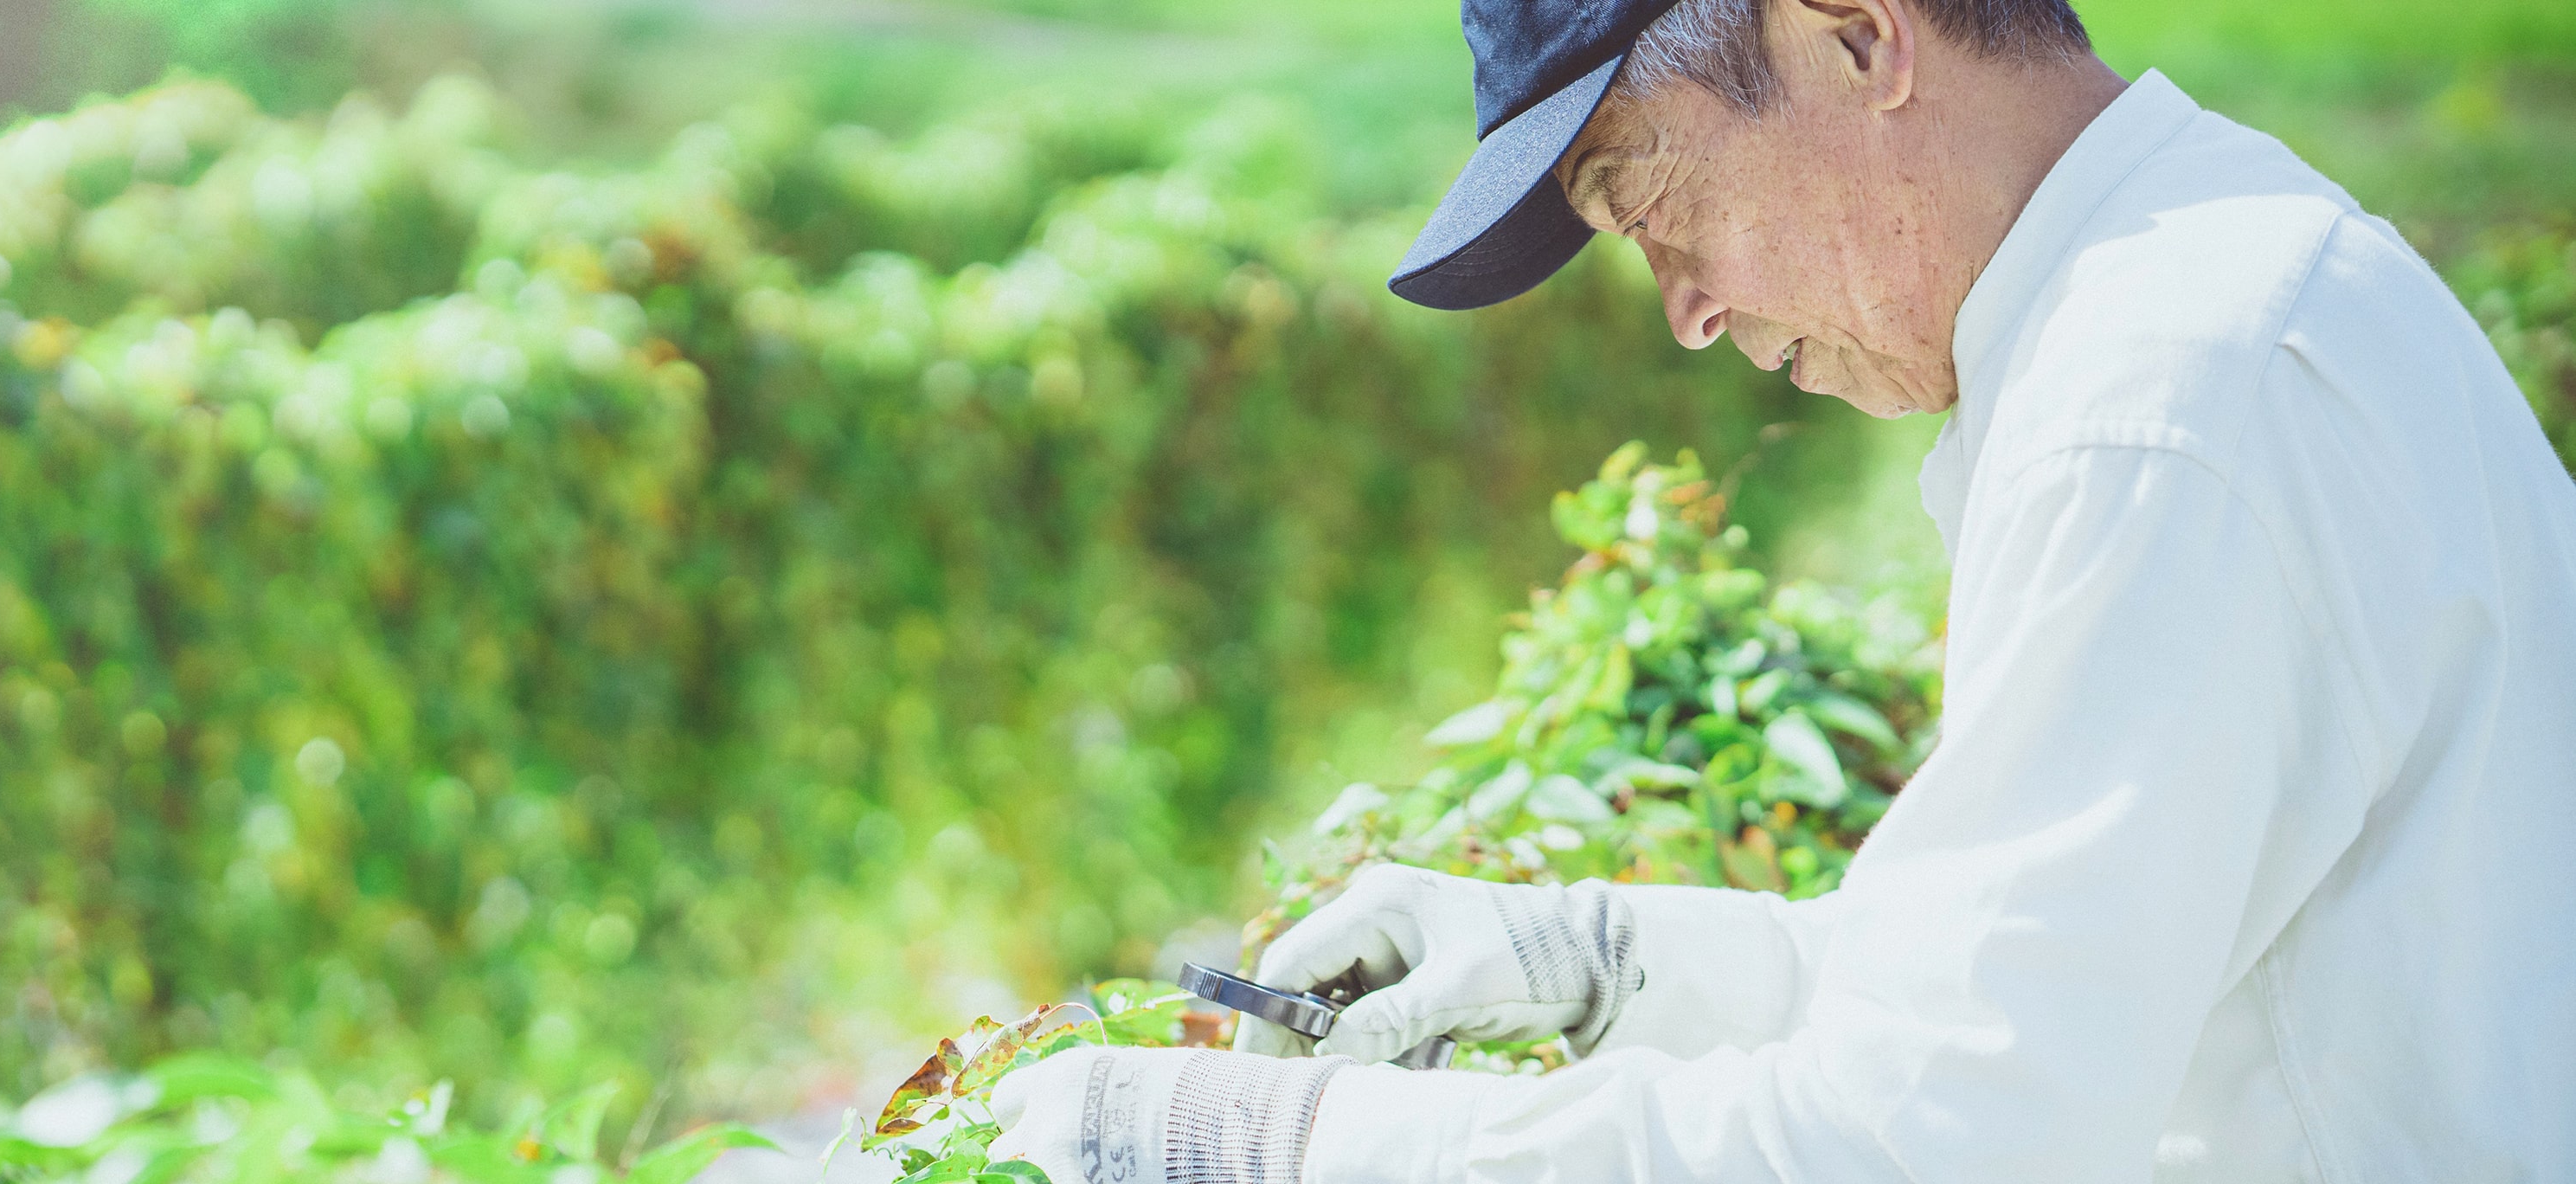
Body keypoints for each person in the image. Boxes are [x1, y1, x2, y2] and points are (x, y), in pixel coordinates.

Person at [983, 0, 2576, 1178]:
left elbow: (1934, 1138)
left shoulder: (2160, 412)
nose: (1680, 313)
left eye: (1643, 198)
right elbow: (2039, 981)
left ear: (1856, 36)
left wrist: (1298, 1149)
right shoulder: (2216, 280)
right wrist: (1596, 956)